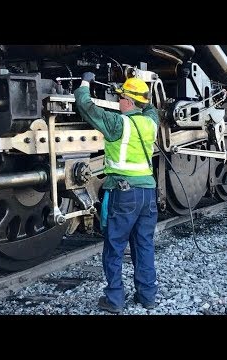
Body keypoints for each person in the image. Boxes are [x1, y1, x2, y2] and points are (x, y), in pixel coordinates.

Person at [74, 72, 159, 314]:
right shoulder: (150, 121)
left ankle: (114, 299)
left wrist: (85, 82)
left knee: (114, 246)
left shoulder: (117, 123)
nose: (118, 100)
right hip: (148, 194)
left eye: (121, 96)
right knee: (144, 245)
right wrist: (143, 87)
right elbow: (150, 107)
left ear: (129, 102)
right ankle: (148, 296)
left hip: (124, 194)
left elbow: (85, 106)